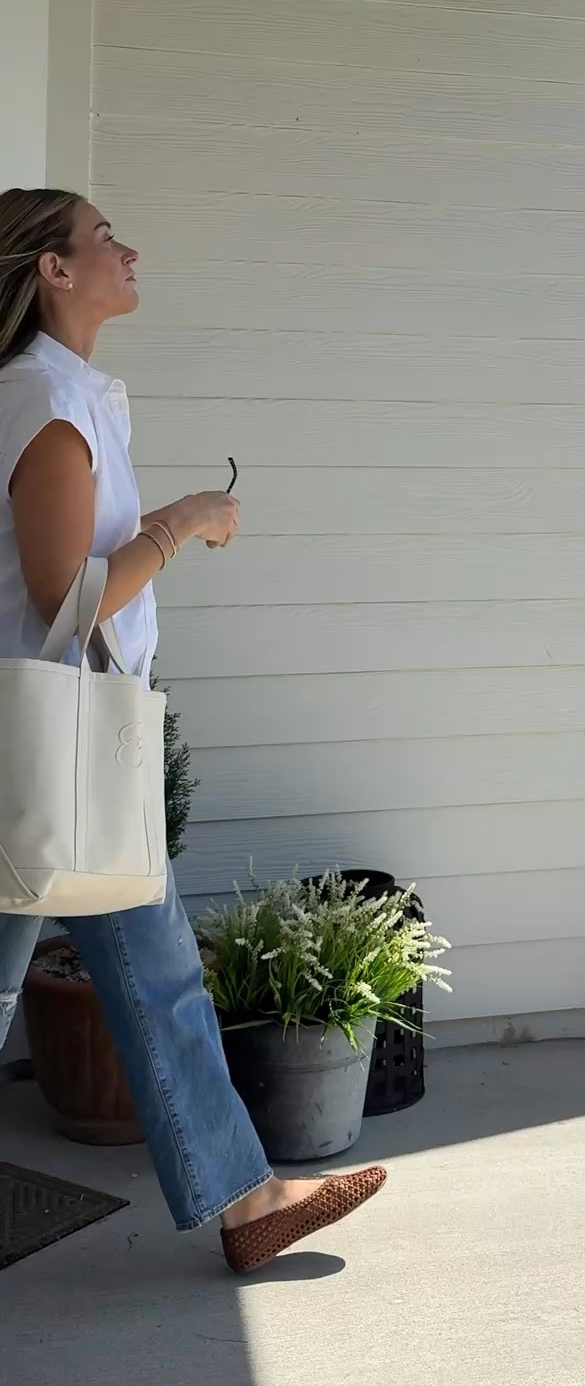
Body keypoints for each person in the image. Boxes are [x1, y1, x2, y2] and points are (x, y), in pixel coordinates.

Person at [0, 188, 386, 1274]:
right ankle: (246, 1198)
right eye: (102, 235)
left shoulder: (68, 395)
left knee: (157, 972)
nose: (129, 247)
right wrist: (182, 522)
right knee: (142, 974)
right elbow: (67, 599)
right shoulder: (44, 403)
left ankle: (247, 1198)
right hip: (48, 751)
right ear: (53, 273)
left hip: (71, 746)